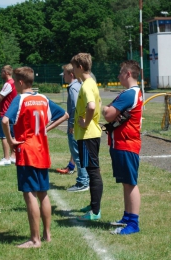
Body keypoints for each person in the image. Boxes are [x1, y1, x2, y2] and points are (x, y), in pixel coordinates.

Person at [2, 66, 69, 248]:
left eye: (16, 82)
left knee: (30, 194)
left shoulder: (20, 99)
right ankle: (47, 235)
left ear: (21, 82)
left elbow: (5, 120)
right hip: (42, 150)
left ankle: (35, 240)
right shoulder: (43, 98)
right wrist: (45, 129)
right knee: (43, 194)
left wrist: (11, 140)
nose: (15, 85)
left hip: (27, 151)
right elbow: (64, 115)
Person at [102, 60, 143, 235]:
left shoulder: (128, 94)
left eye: (120, 72)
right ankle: (127, 217)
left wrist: (104, 108)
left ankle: (133, 223)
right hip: (123, 143)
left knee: (130, 184)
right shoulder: (132, 93)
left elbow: (109, 115)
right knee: (126, 183)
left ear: (128, 74)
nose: (118, 76)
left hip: (126, 144)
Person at [70, 53, 103, 221]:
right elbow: (98, 103)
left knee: (93, 172)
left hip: (88, 135)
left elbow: (91, 106)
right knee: (91, 172)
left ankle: (95, 212)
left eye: (74, 67)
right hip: (88, 134)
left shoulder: (86, 86)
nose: (72, 70)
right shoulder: (90, 83)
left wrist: (86, 122)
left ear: (80, 67)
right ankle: (93, 205)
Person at [56, 63, 90, 192]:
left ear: (71, 74)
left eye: (64, 74)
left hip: (75, 125)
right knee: (80, 153)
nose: (63, 76)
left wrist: (72, 125)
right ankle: (85, 180)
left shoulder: (73, 88)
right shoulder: (78, 86)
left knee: (77, 154)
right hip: (78, 124)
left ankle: (82, 182)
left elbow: (76, 107)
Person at [0, 65, 17, 166]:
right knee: (13, 135)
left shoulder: (8, 84)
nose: (0, 74)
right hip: (13, 112)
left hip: (6, 113)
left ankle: (6, 158)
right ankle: (13, 156)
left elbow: (0, 97)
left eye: (2, 72)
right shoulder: (14, 83)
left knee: (4, 136)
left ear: (6, 73)